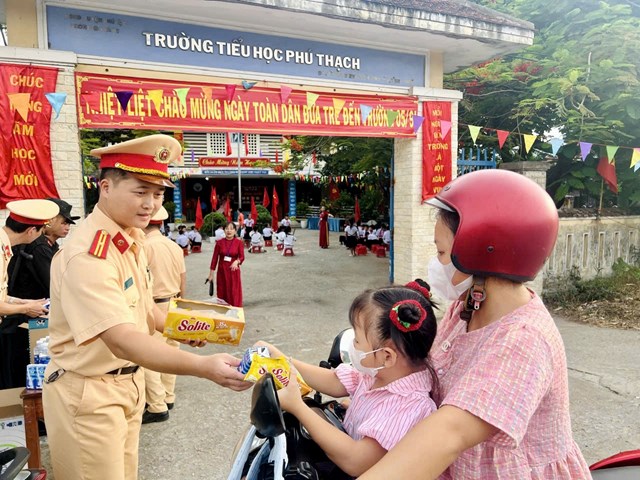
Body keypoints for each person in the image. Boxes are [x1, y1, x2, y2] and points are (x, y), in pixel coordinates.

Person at [360, 169, 591, 479]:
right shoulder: (466, 308)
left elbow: (449, 433)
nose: (436, 263)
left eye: (442, 252)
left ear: (484, 253)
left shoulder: (523, 339)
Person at [42, 134, 249, 480]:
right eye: (140, 192)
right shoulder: (88, 255)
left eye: (158, 193)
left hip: (127, 386)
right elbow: (122, 338)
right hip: (89, 393)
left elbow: (145, 312)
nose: (150, 204)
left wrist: (188, 325)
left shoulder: (130, 240)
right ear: (105, 187)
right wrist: (203, 367)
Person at [257, 281, 439, 477]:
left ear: (387, 356)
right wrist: (281, 360)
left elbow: (356, 461)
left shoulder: (409, 406)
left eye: (358, 340)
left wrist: (297, 407)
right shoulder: (379, 374)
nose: (353, 344)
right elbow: (334, 382)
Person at [0, 199, 59, 389]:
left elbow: (2, 295)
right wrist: (27, 307)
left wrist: (23, 301)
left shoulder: (5, 247)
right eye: (41, 232)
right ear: (31, 231)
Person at [142, 206, 186, 424]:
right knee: (171, 353)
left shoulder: (143, 247)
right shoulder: (174, 246)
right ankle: (168, 396)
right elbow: (182, 278)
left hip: (153, 306)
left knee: (148, 356)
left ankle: (157, 405)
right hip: (174, 302)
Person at [207, 221, 244, 307]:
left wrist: (237, 261)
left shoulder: (238, 243)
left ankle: (235, 311)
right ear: (224, 230)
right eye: (227, 228)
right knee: (222, 291)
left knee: (234, 292)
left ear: (235, 231)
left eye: (231, 229)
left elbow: (242, 257)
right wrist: (211, 274)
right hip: (222, 272)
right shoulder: (219, 243)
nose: (229, 231)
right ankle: (223, 314)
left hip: (234, 272)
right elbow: (214, 259)